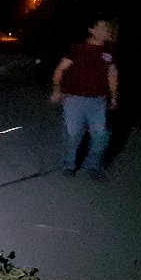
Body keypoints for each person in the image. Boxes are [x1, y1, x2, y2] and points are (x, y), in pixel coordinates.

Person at [49, 16, 119, 178]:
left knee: (100, 135)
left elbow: (113, 76)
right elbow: (60, 70)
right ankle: (68, 165)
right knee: (73, 134)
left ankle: (92, 165)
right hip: (74, 99)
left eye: (107, 29)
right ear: (91, 30)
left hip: (98, 101)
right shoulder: (77, 49)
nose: (105, 31)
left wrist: (114, 98)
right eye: (101, 28)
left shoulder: (108, 53)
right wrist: (57, 89)